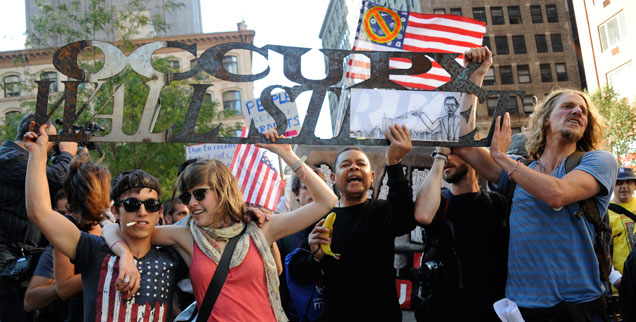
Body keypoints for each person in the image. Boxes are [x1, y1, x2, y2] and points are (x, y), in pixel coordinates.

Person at [104, 129, 338, 321]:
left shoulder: (260, 227)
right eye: (186, 198)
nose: (192, 204)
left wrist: (288, 155)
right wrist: (124, 253)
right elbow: (121, 228)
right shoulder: (186, 235)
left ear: (222, 192)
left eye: (200, 194)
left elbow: (327, 200)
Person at [454, 47, 618, 321]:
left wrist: (500, 158)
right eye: (567, 106)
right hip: (523, 311)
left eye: (583, 111)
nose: (578, 111)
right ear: (546, 121)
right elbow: (462, 145)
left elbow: (557, 194)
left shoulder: (599, 161)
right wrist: (474, 78)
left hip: (581, 310)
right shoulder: (520, 169)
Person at [24, 123, 183, 321]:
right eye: (132, 204)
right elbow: (40, 213)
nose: (142, 212)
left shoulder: (174, 256)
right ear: (115, 210)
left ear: (159, 210)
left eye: (151, 205)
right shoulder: (93, 249)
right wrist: (38, 155)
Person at [288, 124, 416, 321]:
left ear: (372, 177)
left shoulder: (381, 210)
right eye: (345, 164)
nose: (354, 167)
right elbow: (298, 272)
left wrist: (394, 163)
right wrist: (316, 256)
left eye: (361, 164)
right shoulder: (321, 219)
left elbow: (404, 221)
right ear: (333, 178)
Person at [413, 147, 507, 321]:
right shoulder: (438, 203)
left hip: (490, 311)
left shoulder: (497, 203)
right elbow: (422, 215)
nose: (445, 158)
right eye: (438, 154)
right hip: (444, 311)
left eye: (452, 152)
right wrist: (440, 156)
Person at [0, 113, 78, 322]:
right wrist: (68, 153)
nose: (52, 147)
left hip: (19, 260)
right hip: (7, 263)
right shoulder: (9, 158)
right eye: (51, 140)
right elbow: (56, 178)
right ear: (33, 133)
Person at [276, 167, 328, 321]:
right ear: (296, 194)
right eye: (307, 187)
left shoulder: (338, 227)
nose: (313, 192)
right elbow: (279, 282)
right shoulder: (284, 232)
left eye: (318, 186)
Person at [23, 190, 74, 322]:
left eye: (70, 212)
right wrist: (62, 285)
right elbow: (30, 301)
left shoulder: (101, 236)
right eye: (61, 214)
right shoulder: (53, 248)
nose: (66, 219)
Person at [608, 167, 636, 289]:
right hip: (623, 286)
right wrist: (614, 277)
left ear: (635, 186)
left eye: (628, 182)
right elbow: (600, 251)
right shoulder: (605, 214)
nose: (624, 186)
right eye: (618, 183)